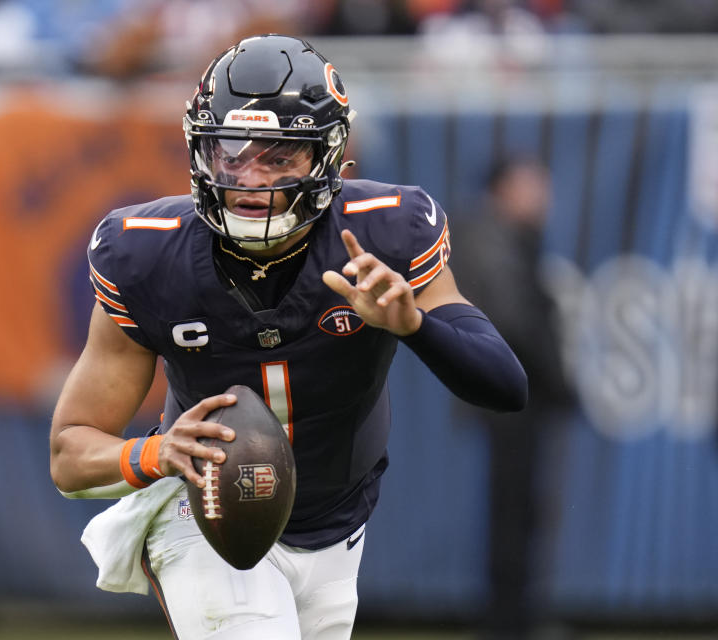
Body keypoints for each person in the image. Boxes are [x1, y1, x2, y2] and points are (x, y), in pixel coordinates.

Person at [50, 34, 527, 639]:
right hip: (206, 512)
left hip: (336, 525)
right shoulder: (146, 252)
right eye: (230, 152)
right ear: (201, 152)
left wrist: (414, 325)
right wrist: (154, 454)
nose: (250, 178)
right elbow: (69, 454)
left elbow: (506, 385)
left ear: (328, 156)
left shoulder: (387, 233)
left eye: (278, 156)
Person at [451, 157, 574, 639]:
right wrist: (556, 381)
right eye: (531, 187)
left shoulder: (514, 239)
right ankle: (507, 622)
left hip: (518, 399)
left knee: (524, 513)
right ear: (502, 189)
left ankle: (517, 616)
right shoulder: (488, 236)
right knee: (511, 514)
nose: (542, 197)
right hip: (508, 403)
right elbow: (515, 322)